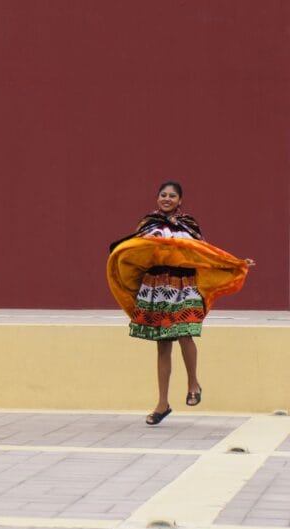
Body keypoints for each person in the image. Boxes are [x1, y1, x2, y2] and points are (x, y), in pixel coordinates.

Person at [107, 181, 253, 426]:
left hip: (183, 285)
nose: (167, 198)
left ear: (180, 201)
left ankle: (193, 383)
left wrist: (234, 263)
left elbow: (203, 253)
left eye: (172, 196)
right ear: (157, 198)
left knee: (185, 333)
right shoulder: (148, 224)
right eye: (163, 195)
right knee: (163, 344)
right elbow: (136, 251)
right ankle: (162, 404)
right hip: (157, 286)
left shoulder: (189, 226)